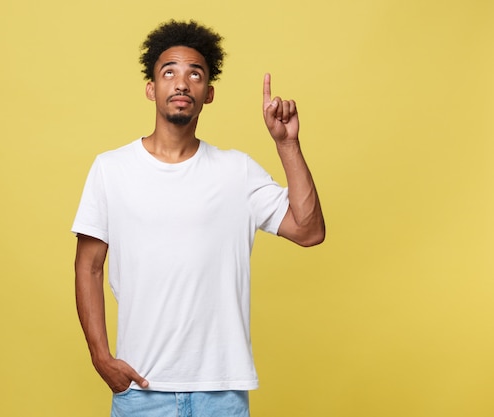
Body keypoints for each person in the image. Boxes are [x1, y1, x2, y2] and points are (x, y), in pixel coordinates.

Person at [72, 20, 325, 417]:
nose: (181, 83)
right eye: (168, 71)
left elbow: (309, 231)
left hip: (221, 394)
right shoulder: (111, 169)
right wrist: (100, 357)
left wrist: (287, 144)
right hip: (141, 389)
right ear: (151, 89)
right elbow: (88, 266)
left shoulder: (237, 171)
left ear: (208, 93)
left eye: (195, 73)